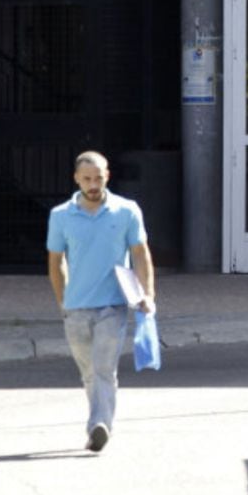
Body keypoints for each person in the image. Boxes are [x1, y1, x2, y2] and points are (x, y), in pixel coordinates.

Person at [46, 151, 156, 453]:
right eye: (87, 179)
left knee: (104, 367)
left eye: (98, 177)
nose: (93, 184)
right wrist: (63, 301)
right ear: (77, 179)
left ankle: (99, 425)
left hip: (113, 305)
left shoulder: (126, 211)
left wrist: (147, 294)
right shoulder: (60, 215)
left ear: (107, 176)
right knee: (89, 372)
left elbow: (140, 253)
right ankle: (98, 419)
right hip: (76, 308)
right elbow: (56, 262)